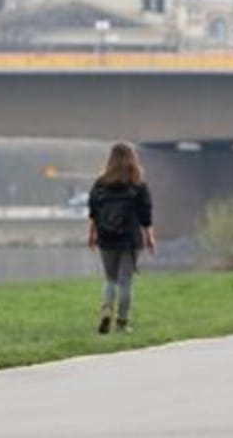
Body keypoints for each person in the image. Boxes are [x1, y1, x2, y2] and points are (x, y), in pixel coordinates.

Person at [87, 141, 157, 334]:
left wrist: (91, 234)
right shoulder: (138, 184)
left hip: (106, 237)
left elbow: (93, 211)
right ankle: (122, 323)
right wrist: (150, 237)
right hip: (130, 239)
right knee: (125, 281)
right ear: (132, 159)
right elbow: (146, 214)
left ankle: (106, 309)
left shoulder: (100, 184)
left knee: (109, 279)